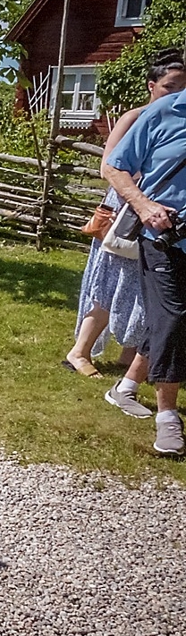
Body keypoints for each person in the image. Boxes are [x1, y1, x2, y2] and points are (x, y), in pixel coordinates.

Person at [66, 51, 186, 417]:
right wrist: (143, 199)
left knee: (148, 298)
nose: (176, 92)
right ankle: (80, 351)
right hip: (129, 212)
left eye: (182, 86)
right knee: (110, 286)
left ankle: (131, 358)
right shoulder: (136, 116)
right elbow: (110, 165)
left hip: (157, 221)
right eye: (169, 86)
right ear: (153, 86)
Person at [105, 64, 186, 455]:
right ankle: (168, 418)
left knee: (172, 320)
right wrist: (142, 204)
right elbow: (115, 166)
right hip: (165, 238)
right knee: (174, 318)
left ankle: (126, 385)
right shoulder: (164, 112)